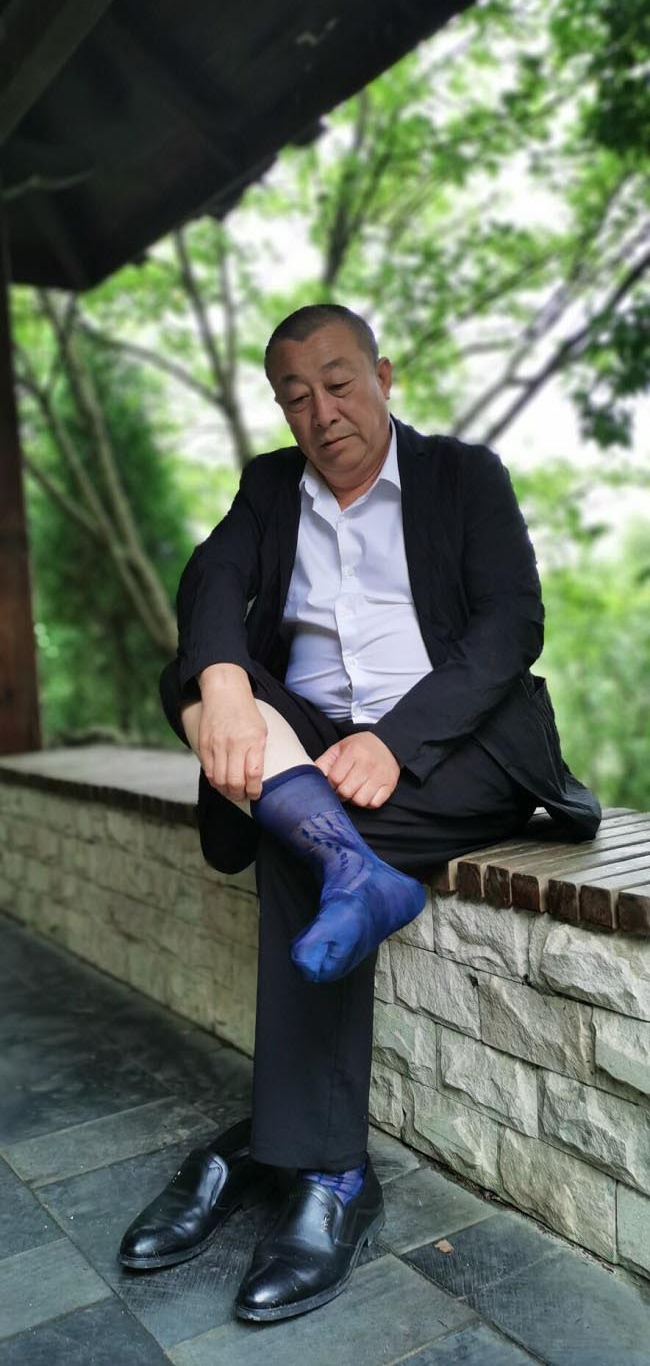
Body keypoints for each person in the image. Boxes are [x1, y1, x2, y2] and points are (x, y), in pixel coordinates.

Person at [118, 303, 601, 1321]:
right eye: (296, 396)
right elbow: (213, 577)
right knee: (197, 676)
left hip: (456, 745)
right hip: (310, 742)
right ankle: (324, 1145)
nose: (321, 411)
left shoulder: (461, 477)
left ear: (382, 376)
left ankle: (288, 1155)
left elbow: (511, 624)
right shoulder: (269, 487)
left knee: (299, 827)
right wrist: (225, 679)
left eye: (338, 383)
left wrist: (395, 738)